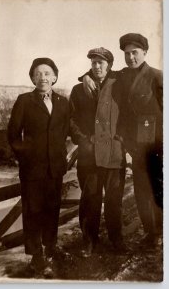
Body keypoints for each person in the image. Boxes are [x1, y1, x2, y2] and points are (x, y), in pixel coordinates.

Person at [82, 34, 163, 246]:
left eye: (134, 52)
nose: (130, 57)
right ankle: (151, 233)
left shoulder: (157, 76)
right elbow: (101, 71)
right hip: (136, 145)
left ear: (144, 52)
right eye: (126, 54)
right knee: (141, 191)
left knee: (158, 189)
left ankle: (159, 234)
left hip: (157, 144)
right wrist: (86, 77)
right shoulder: (123, 76)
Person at [7, 57, 69, 277]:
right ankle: (36, 257)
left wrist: (62, 155)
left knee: (52, 210)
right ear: (32, 77)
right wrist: (26, 157)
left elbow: (66, 131)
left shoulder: (63, 102)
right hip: (33, 170)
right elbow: (13, 134)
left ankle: (50, 249)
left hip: (55, 169)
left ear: (54, 77)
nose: (43, 77)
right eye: (38, 73)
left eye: (47, 73)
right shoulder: (24, 100)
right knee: (33, 212)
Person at [69, 47, 126, 257]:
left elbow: (128, 115)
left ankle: (117, 239)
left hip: (114, 154)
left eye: (101, 62)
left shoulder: (120, 86)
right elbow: (71, 119)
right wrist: (83, 141)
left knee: (114, 200)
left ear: (109, 64)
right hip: (89, 156)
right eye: (93, 62)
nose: (97, 66)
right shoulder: (78, 90)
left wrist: (121, 138)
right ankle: (89, 240)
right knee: (90, 199)